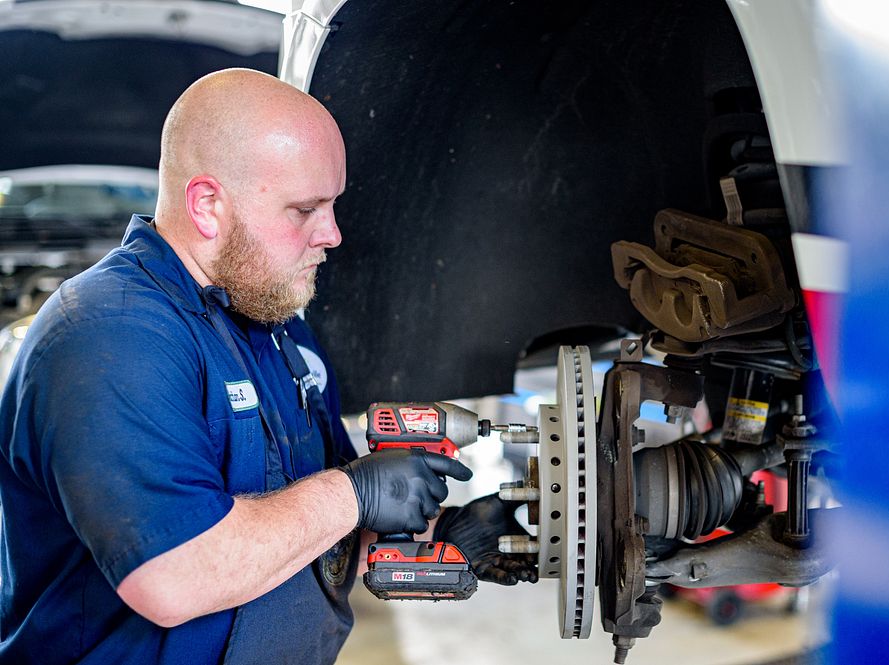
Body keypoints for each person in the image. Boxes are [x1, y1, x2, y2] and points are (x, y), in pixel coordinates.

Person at [0, 68, 535, 664]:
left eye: (333, 205)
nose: (331, 234)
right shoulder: (109, 333)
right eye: (304, 209)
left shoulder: (276, 321)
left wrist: (442, 536)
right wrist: (355, 492)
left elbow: (298, 533)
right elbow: (175, 575)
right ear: (207, 206)